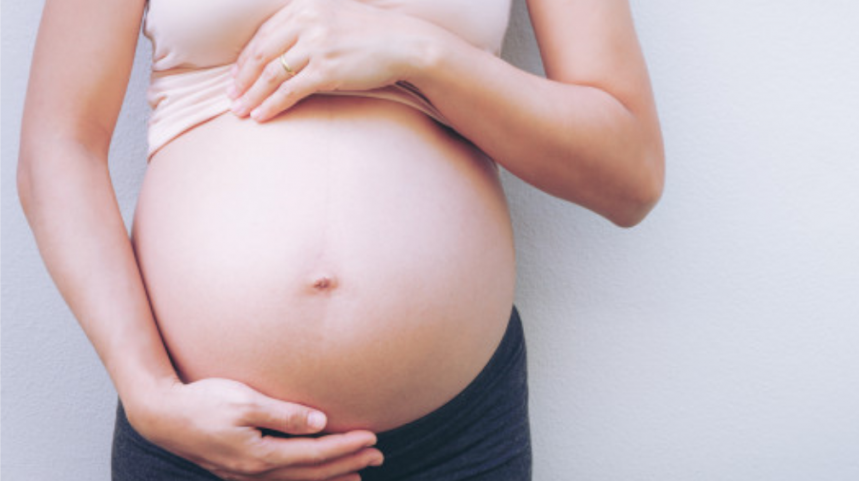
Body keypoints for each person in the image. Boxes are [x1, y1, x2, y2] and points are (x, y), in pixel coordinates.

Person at [17, 0, 664, 479]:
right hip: (197, 433)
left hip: (451, 440)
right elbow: (58, 143)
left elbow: (629, 171)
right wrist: (149, 391)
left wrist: (420, 51)